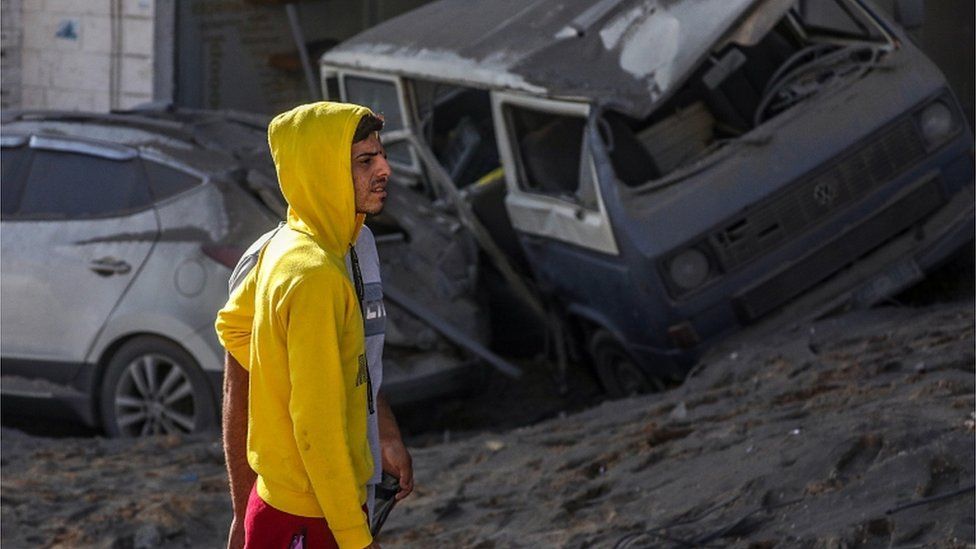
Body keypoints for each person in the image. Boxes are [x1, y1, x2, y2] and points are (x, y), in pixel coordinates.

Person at [215, 102, 412, 549]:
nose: (385, 169)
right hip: (310, 511)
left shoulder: (310, 244)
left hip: (301, 500)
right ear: (323, 171)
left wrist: (382, 432)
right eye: (365, 160)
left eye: (381, 154)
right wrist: (355, 539)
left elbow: (235, 327)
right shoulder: (314, 275)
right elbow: (316, 431)